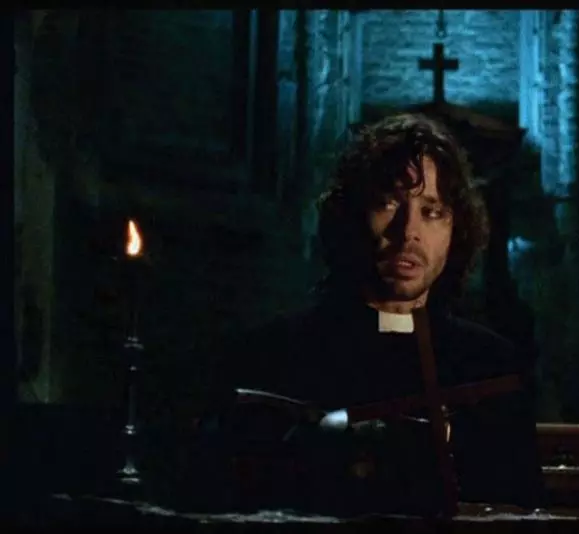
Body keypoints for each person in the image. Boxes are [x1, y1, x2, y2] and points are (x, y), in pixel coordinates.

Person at [204, 113, 544, 515]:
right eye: (387, 203)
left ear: (456, 230)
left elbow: (520, 505)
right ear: (350, 215)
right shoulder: (274, 355)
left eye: (432, 211)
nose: (408, 231)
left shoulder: (490, 366)